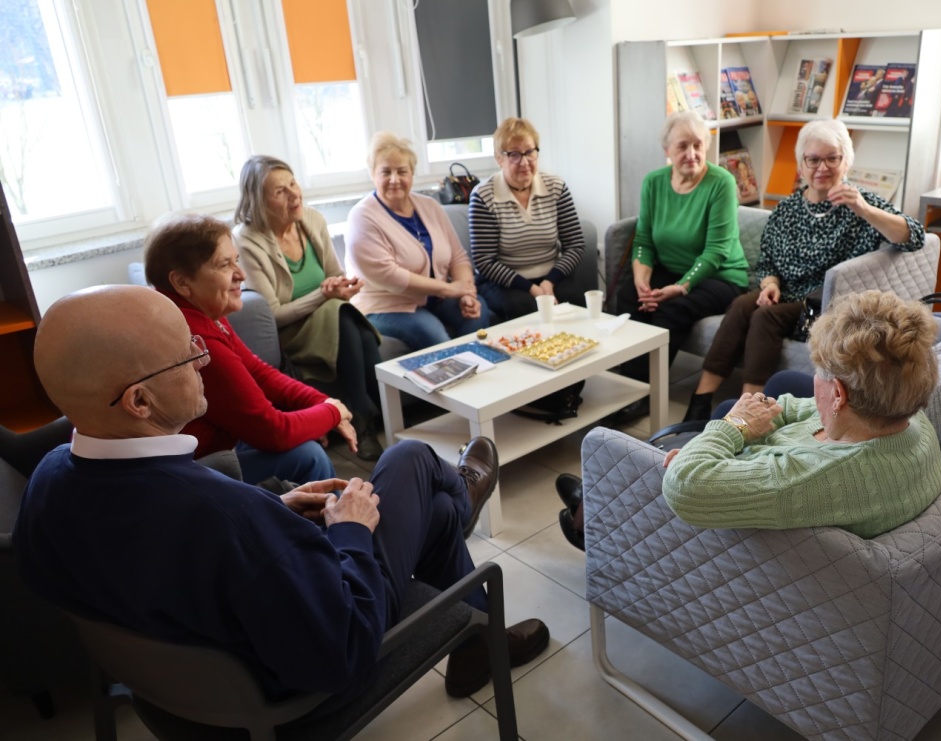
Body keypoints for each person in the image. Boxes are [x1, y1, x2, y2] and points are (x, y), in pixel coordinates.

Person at [14, 285, 549, 707]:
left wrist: (276, 508)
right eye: (187, 355)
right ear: (139, 400)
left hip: (183, 687)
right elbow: (343, 648)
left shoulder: (48, 483)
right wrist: (350, 531)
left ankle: (477, 635)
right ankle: (460, 497)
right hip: (294, 690)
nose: (203, 360)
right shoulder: (227, 517)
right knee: (409, 462)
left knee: (425, 511)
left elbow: (161, 558)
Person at [561, 290, 941, 547]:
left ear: (840, 394)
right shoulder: (906, 418)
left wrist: (732, 433)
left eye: (821, 376)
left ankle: (591, 521)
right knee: (725, 421)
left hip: (728, 548)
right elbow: (798, 407)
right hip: (768, 498)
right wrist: (742, 433)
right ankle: (591, 503)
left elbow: (686, 486)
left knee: (650, 458)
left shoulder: (805, 479)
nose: (815, 385)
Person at [727, 249, 941, 480]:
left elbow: (862, 432)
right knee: (778, 387)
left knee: (752, 400)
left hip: (876, 456)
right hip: (881, 422)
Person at [683, 119, 926, 421]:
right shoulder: (787, 209)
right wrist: (770, 282)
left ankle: (748, 409)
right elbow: (768, 260)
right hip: (784, 294)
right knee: (742, 305)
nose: (822, 167)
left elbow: (914, 237)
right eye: (813, 159)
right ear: (801, 164)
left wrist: (863, 209)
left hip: (822, 306)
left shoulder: (860, 204)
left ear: (845, 161)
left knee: (765, 316)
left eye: (832, 158)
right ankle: (701, 398)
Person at [144, 212, 350, 487]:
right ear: (182, 282)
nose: (240, 275)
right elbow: (273, 431)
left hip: (202, 450)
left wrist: (321, 403)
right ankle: (329, 528)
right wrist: (332, 413)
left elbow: (257, 371)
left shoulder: (197, 312)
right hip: (175, 478)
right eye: (225, 265)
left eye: (236, 261)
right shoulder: (195, 341)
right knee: (308, 456)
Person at [233, 155, 384, 461]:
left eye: (293, 183)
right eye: (280, 191)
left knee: (359, 332)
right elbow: (273, 314)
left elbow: (334, 274)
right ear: (258, 201)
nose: (294, 194)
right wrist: (324, 296)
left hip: (333, 319)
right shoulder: (246, 241)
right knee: (338, 314)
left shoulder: (312, 219)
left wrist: (343, 287)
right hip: (291, 331)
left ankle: (366, 415)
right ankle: (366, 415)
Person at [610, 110, 750, 425]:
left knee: (671, 310)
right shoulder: (654, 182)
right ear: (667, 152)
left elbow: (716, 250)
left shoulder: (721, 183)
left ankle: (645, 393)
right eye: (682, 146)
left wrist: (681, 287)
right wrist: (640, 280)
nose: (692, 154)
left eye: (698, 145)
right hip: (671, 269)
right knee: (629, 296)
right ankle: (627, 385)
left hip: (721, 276)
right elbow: (643, 239)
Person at [345, 133, 489, 351]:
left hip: (434, 299)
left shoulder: (429, 206)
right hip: (386, 305)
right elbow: (391, 276)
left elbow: (458, 257)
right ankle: (455, 379)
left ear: (412, 173)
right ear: (373, 174)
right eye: (386, 172)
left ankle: (474, 374)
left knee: (479, 314)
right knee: (434, 335)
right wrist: (450, 289)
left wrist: (467, 294)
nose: (395, 179)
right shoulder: (361, 217)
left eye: (402, 171)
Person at [469, 117, 589, 321]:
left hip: (551, 276)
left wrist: (549, 282)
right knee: (524, 306)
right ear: (499, 158)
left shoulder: (556, 187)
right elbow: (484, 261)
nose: (524, 162)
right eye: (514, 155)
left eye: (530, 152)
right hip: (505, 282)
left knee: (577, 299)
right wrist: (531, 288)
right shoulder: (483, 196)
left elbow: (575, 245)